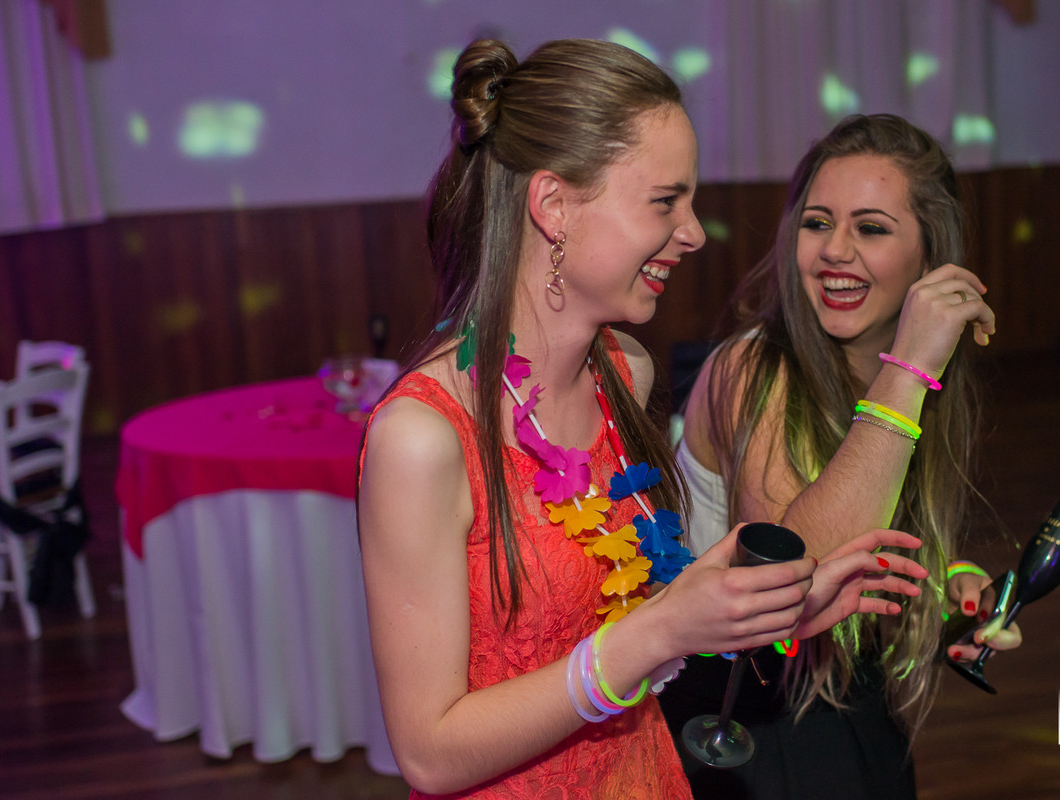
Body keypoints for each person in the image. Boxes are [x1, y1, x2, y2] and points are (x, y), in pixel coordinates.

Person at [357, 42, 930, 799]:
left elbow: (635, 610)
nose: (693, 232)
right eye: (666, 202)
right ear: (554, 206)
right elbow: (429, 754)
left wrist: (768, 612)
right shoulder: (421, 439)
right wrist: (657, 633)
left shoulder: (624, 372)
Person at [657, 114, 1022, 799]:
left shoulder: (911, 383)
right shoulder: (751, 368)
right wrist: (910, 367)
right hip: (733, 718)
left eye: (872, 229)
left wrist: (948, 592)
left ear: (928, 257)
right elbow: (799, 574)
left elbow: (877, 550)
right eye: (818, 222)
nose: (835, 252)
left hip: (844, 699)